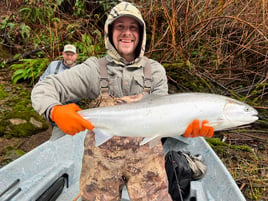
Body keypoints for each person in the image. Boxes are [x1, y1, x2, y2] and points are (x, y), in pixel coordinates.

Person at [31, 2, 214, 200]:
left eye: (133, 27)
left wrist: (183, 127)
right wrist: (54, 111)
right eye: (120, 27)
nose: (127, 33)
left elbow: (164, 116)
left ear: (141, 34)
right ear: (109, 33)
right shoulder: (93, 69)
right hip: (100, 164)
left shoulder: (156, 71)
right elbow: (44, 88)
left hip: (147, 163)